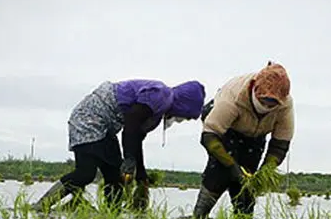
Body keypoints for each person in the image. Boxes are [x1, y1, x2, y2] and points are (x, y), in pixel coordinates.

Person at [31, 78, 206, 211]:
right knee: (85, 173)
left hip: (106, 127)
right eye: (186, 115)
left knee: (114, 176)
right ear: (185, 105)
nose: (181, 119)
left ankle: (110, 215)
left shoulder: (157, 112)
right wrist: (129, 160)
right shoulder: (162, 95)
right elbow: (130, 125)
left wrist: (141, 175)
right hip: (90, 118)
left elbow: (135, 139)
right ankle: (41, 206)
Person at [192, 62, 295, 219]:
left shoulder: (285, 106)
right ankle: (199, 218)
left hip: (255, 135)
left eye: (272, 103)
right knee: (219, 173)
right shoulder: (232, 98)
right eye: (264, 101)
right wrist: (233, 167)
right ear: (254, 88)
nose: (267, 106)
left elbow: (280, 145)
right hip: (223, 129)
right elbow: (209, 136)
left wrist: (264, 172)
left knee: (246, 189)